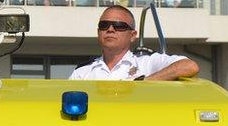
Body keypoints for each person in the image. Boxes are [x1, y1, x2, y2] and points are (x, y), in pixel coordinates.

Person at [69, 5, 199, 80]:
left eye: (118, 26)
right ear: (98, 32)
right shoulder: (82, 72)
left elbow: (189, 66)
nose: (110, 29)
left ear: (132, 35)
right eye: (104, 25)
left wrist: (145, 83)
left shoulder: (147, 64)